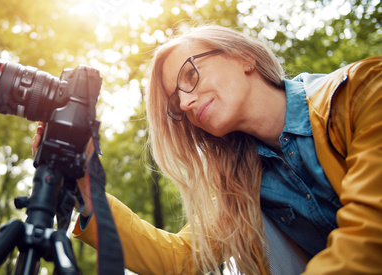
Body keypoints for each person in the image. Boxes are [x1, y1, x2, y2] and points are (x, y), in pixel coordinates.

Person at [31, 24, 382, 274]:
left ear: (244, 57)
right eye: (175, 102)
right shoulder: (240, 189)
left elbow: (368, 239)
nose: (184, 103)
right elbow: (179, 260)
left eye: (189, 76)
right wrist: (87, 186)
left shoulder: (366, 92)